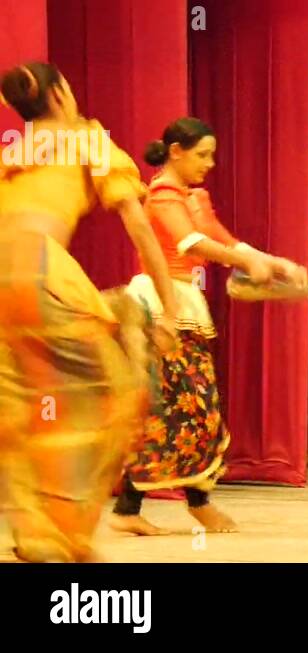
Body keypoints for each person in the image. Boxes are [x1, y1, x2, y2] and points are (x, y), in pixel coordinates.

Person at [0, 62, 179, 562]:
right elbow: (141, 229)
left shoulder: (11, 152)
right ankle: (63, 531)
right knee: (118, 389)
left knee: (19, 410)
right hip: (38, 271)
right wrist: (166, 309)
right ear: (59, 95)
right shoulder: (87, 139)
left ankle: (33, 529)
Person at [109, 117, 307, 535]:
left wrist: (274, 263)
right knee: (179, 406)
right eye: (202, 154)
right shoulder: (163, 195)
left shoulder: (192, 197)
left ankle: (140, 508)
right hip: (160, 306)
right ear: (176, 152)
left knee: (194, 408)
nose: (210, 163)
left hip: (184, 305)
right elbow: (191, 245)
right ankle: (175, 505)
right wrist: (246, 263)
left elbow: (225, 240)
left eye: (212, 155)